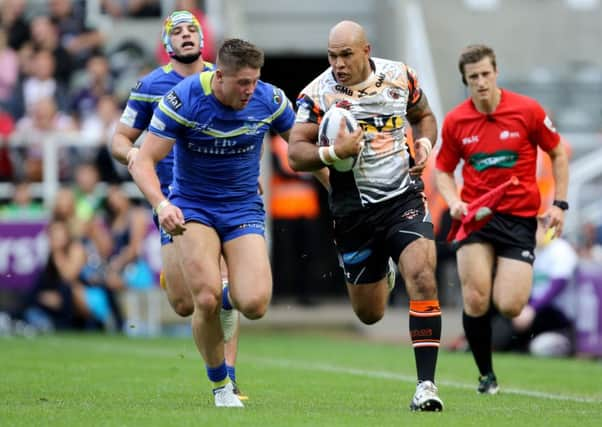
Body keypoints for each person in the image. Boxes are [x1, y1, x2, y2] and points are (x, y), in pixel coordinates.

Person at [130, 37, 295, 407]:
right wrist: (160, 205)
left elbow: (299, 144)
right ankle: (222, 386)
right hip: (193, 207)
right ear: (219, 76)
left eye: (254, 81)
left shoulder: (269, 98)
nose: (250, 90)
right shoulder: (184, 98)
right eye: (242, 83)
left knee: (253, 304)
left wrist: (336, 170)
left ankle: (217, 284)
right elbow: (141, 161)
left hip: (242, 208)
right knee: (198, 299)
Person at [288, 20, 443, 412]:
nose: (338, 63)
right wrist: (334, 153)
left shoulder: (400, 76)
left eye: (346, 55)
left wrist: (424, 143)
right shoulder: (316, 93)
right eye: (332, 55)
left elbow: (424, 116)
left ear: (366, 50)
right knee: (369, 313)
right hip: (353, 213)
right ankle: (382, 271)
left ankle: (426, 386)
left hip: (402, 199)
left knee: (424, 276)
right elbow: (295, 153)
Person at [111, 11, 245, 397]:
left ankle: (228, 380)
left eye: (192, 30)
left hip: (219, 197)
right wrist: (136, 157)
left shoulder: (221, 81)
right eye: (178, 32)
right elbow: (120, 139)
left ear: (203, 39)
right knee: (185, 304)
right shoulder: (151, 85)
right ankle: (177, 275)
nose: (186, 36)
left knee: (222, 291)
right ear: (166, 43)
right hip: (172, 202)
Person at [434, 44, 569, 394]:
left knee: (510, 305)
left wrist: (560, 204)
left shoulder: (527, 111)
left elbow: (556, 152)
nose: (480, 82)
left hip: (519, 219)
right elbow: (444, 170)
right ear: (464, 80)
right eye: (472, 77)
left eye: (485, 74)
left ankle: (497, 274)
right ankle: (485, 375)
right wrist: (452, 201)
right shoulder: (456, 121)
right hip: (475, 219)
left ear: (496, 73)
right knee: (475, 297)